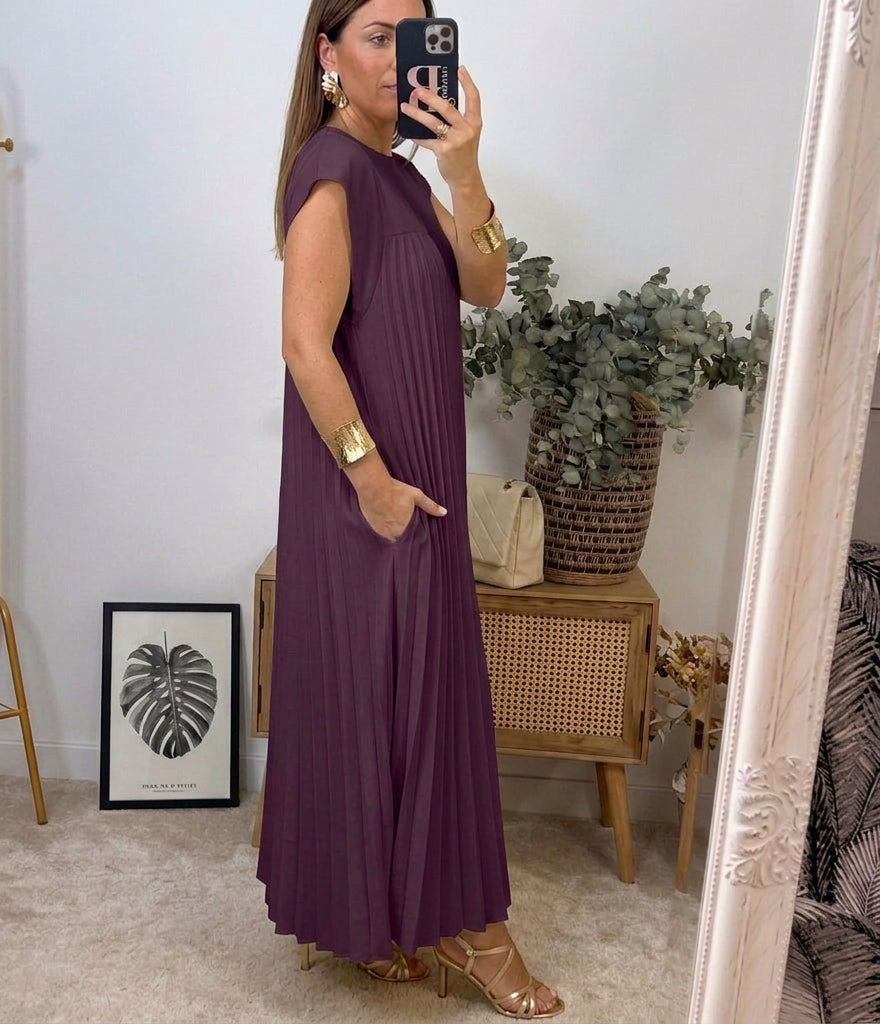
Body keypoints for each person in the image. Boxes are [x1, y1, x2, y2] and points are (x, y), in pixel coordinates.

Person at [255, 0, 564, 1018]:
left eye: (414, 36)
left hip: (410, 481)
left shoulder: (399, 172)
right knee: (394, 699)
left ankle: (397, 918)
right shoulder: (332, 173)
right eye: (376, 37)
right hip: (369, 490)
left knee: (408, 699)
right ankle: (471, 932)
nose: (397, 58)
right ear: (328, 54)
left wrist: (463, 169)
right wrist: (371, 481)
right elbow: (304, 345)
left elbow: (486, 283)